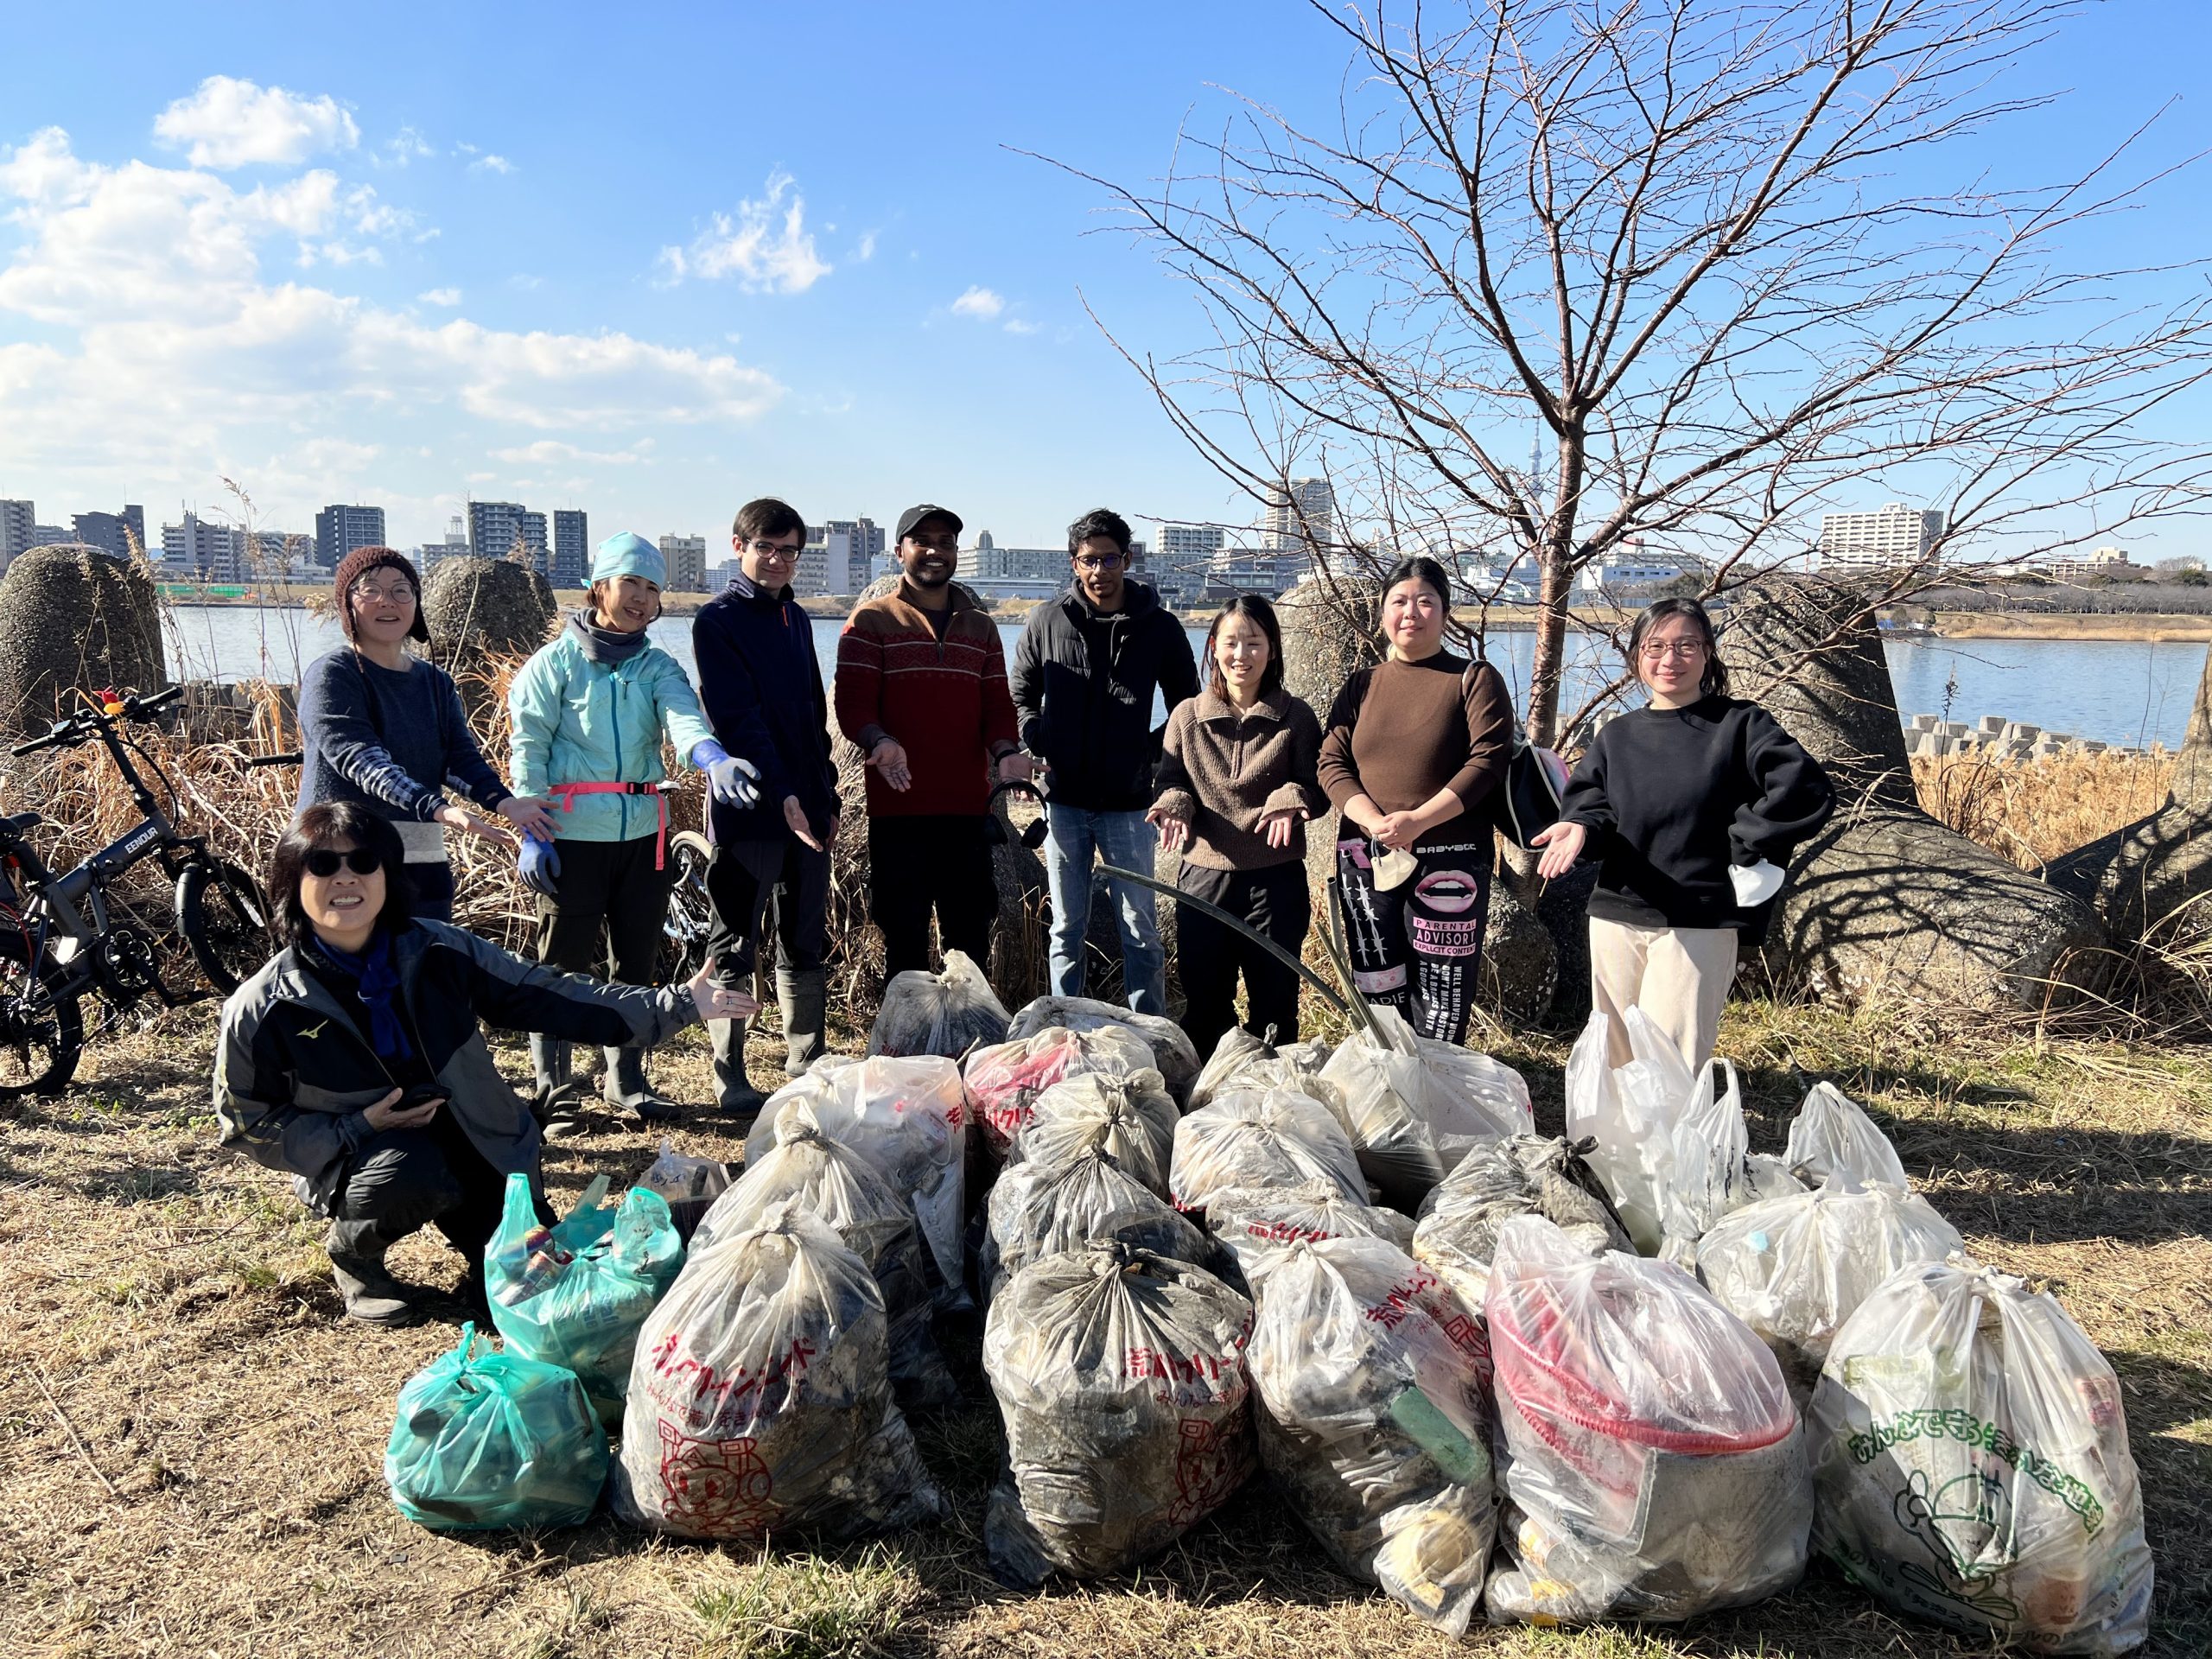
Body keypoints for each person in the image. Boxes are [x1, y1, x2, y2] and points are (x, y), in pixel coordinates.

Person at [214, 802, 755, 1325]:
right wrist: (359, 1126)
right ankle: (356, 1258)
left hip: (480, 1142)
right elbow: (247, 1124)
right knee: (407, 1171)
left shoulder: (439, 951)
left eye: (363, 861)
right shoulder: (264, 1007)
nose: (346, 877)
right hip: (372, 1158)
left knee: (537, 1290)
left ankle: (484, 1252)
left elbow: (551, 995)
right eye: (323, 864)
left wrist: (677, 1004)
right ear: (291, 883)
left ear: (388, 875)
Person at [507, 531, 757, 1126]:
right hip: (569, 837)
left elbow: (684, 719)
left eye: (652, 587)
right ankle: (555, 1089)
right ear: (600, 587)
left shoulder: (656, 666)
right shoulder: (553, 665)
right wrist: (532, 832)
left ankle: (625, 1080)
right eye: (630, 583)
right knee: (559, 968)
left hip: (644, 838)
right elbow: (528, 748)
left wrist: (712, 758)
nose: (642, 598)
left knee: (636, 962)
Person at [1533, 597, 1834, 1072]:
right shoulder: (1617, 736)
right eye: (1655, 647)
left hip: (1699, 917)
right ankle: (1610, 1128)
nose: (1669, 659)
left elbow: (1805, 789)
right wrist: (1580, 828)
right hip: (1616, 913)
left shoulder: (1740, 725)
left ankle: (1669, 1129)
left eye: (1686, 646)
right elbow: (1594, 809)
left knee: (1669, 1061)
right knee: (1613, 1057)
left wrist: (1746, 842)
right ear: (1637, 656)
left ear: (1708, 653)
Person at [295, 547, 553, 922]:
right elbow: (362, 761)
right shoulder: (333, 674)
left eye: (401, 590)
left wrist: (504, 803)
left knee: (427, 953)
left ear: (416, 603)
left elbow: (457, 759)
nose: (387, 601)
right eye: (370, 590)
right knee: (344, 958)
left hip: (420, 859)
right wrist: (438, 808)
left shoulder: (434, 681)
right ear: (347, 604)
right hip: (340, 860)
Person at [1319, 555, 1513, 1046]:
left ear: (1445, 611)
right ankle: (1388, 1081)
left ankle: (1439, 1081)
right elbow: (1331, 761)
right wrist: (1372, 820)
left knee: (1442, 996)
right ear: (1383, 612)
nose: (1411, 612)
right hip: (1365, 854)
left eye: (1425, 601)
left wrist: (1419, 821)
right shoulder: (1362, 684)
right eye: (1399, 601)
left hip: (1450, 858)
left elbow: (1488, 761)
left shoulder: (1473, 678)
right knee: (1376, 984)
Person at [1011, 507, 1198, 1014]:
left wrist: (1151, 754)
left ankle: (1150, 1031)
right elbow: (1020, 692)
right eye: (1089, 560)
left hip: (1130, 803)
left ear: (1127, 559)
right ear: (1075, 563)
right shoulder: (1047, 620)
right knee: (1066, 928)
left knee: (1140, 929)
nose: (1099, 571)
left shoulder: (1159, 627)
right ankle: (1063, 1028)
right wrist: (1038, 738)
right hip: (1063, 800)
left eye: (1109, 559)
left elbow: (1187, 704)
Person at [835, 503, 1029, 980]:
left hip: (967, 811)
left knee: (971, 941)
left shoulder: (981, 626)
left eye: (945, 543)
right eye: (922, 541)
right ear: (900, 550)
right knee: (903, 940)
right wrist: (878, 740)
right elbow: (853, 704)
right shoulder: (870, 620)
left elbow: (997, 705)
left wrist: (1007, 752)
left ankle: (969, 1026)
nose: (934, 551)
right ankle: (905, 1028)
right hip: (898, 808)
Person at [692, 497, 841, 1119]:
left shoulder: (796, 618)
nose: (778, 560)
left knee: (804, 936)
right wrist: (782, 794)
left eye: (789, 551)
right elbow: (738, 721)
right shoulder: (716, 620)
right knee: (734, 939)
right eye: (766, 548)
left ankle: (805, 1061)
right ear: (739, 547)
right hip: (750, 806)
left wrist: (826, 790)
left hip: (808, 807)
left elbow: (813, 713)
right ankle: (730, 1071)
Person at [1147, 594, 1324, 1060]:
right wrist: (1175, 806)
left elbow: (1316, 785)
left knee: (1275, 1003)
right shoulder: (1187, 716)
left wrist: (1290, 799)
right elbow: (1171, 781)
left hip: (1276, 877)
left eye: (1254, 642)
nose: (1241, 655)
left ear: (1272, 649)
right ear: (1213, 647)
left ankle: (1274, 1087)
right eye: (1230, 642)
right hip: (1206, 877)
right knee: (1206, 1001)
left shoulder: (1297, 717)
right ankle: (1209, 1091)